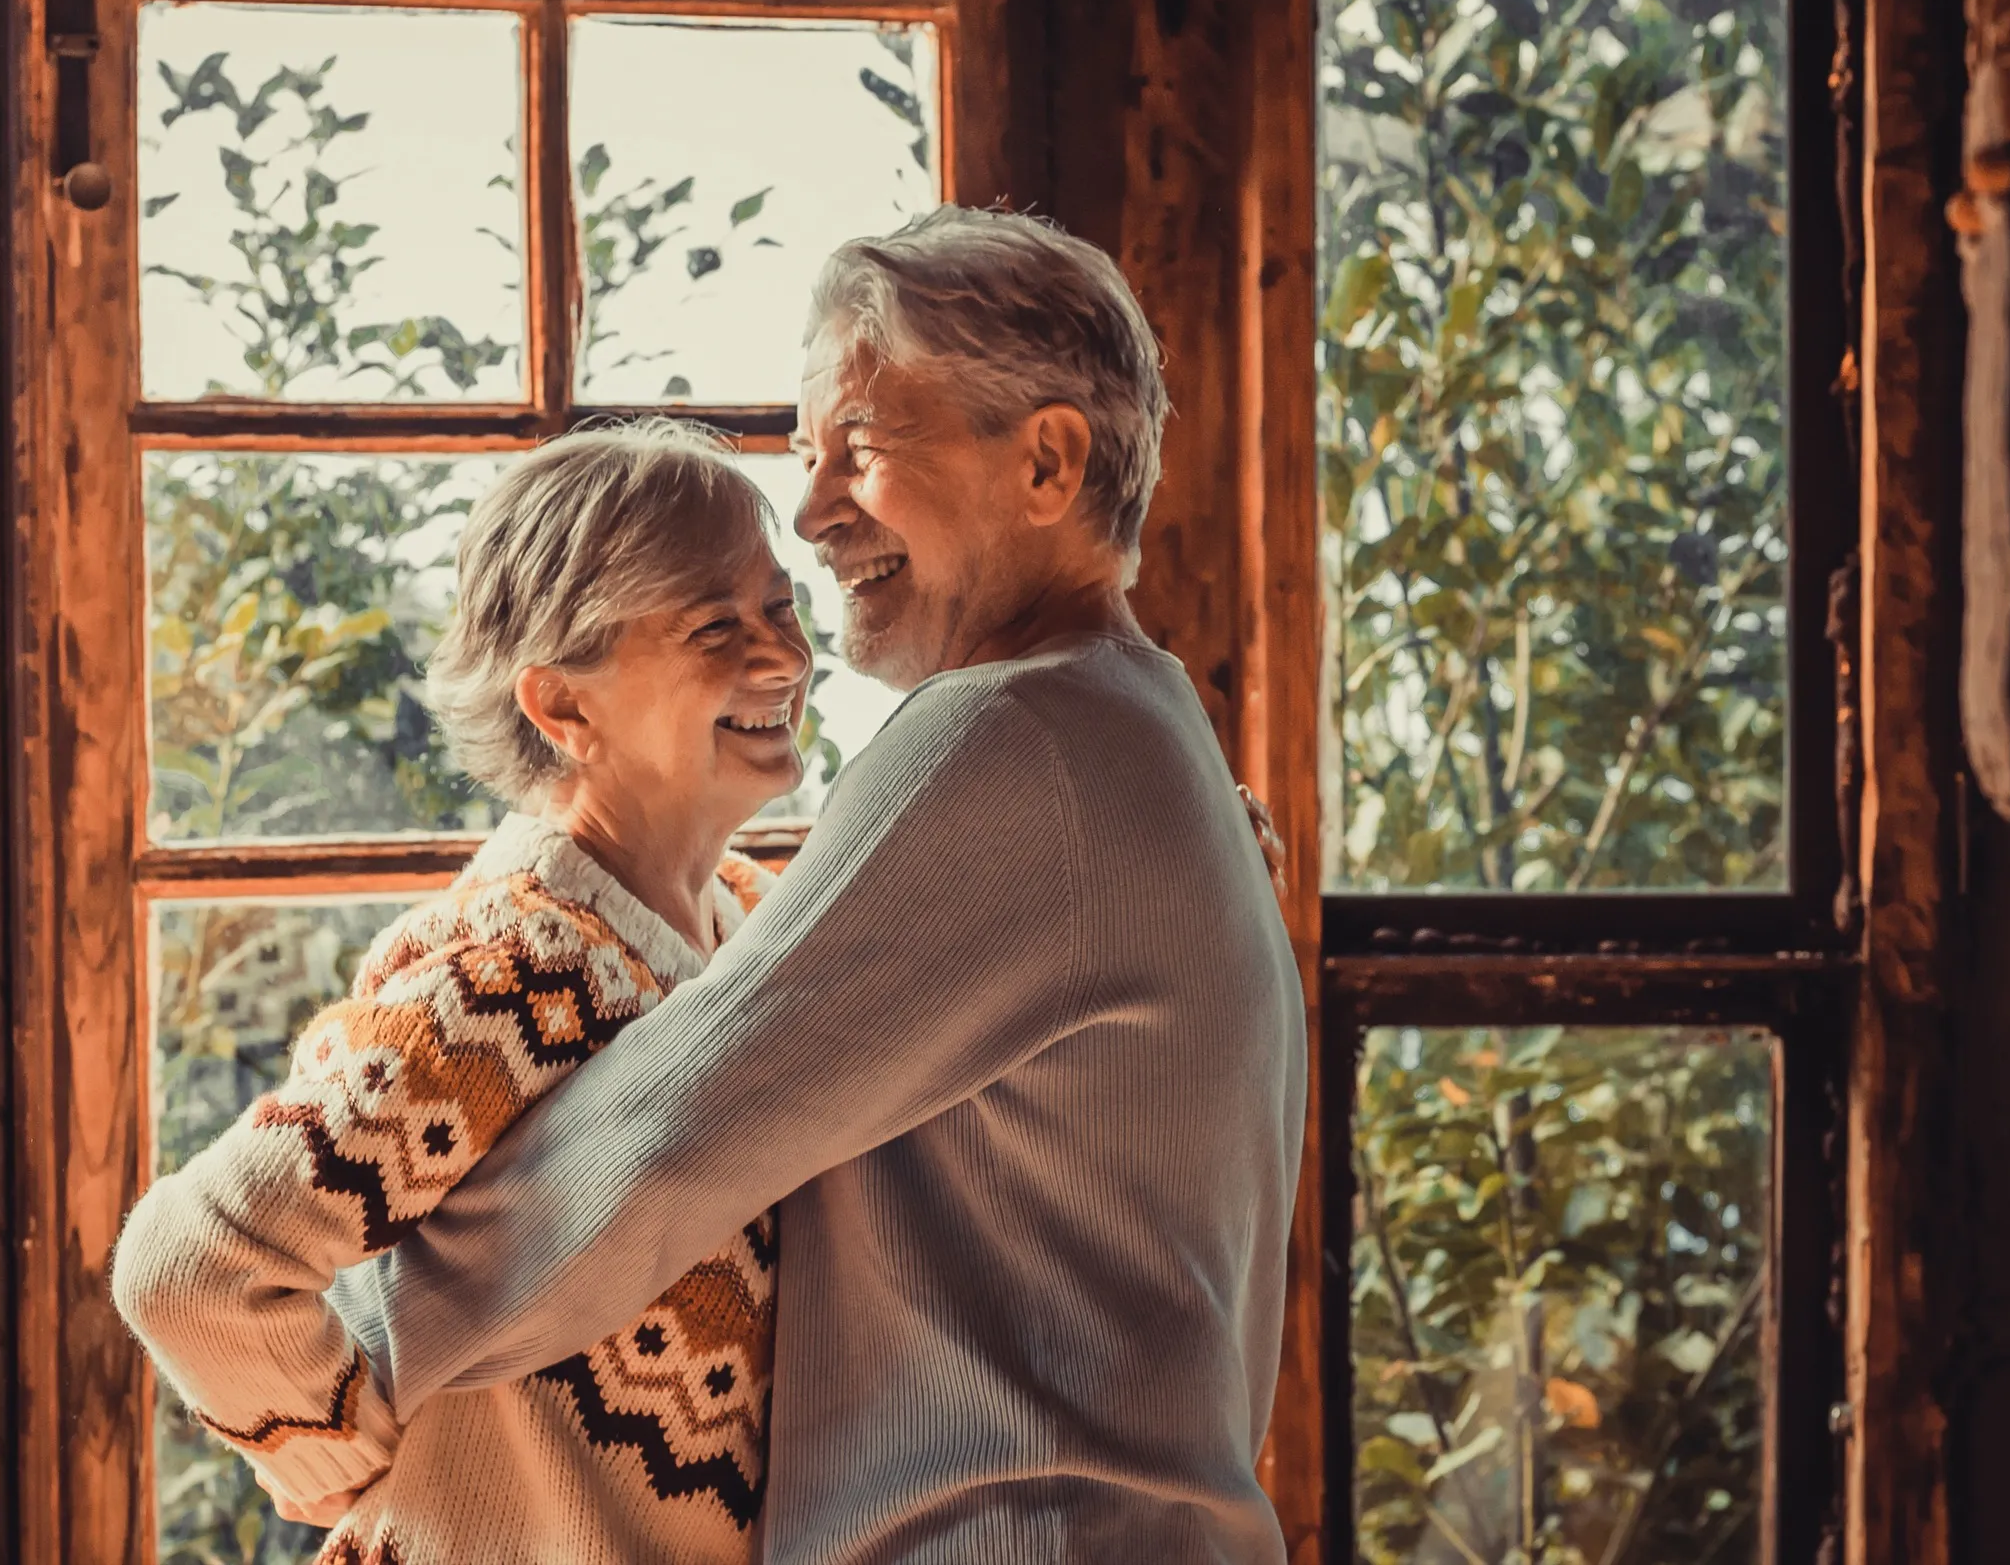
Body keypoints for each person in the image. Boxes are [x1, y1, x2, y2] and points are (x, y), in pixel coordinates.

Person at [324, 205, 1308, 1564]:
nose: (811, 511)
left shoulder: (1013, 738)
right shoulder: (1137, 735)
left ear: (1048, 461)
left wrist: (337, 1363)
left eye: (859, 447)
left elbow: (673, 1128)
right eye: (807, 452)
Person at [113, 422, 817, 1564]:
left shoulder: (754, 911)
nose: (781, 658)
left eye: (780, 607)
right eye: (712, 627)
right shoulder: (508, 967)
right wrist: (335, 1440)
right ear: (561, 707)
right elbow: (192, 1264)